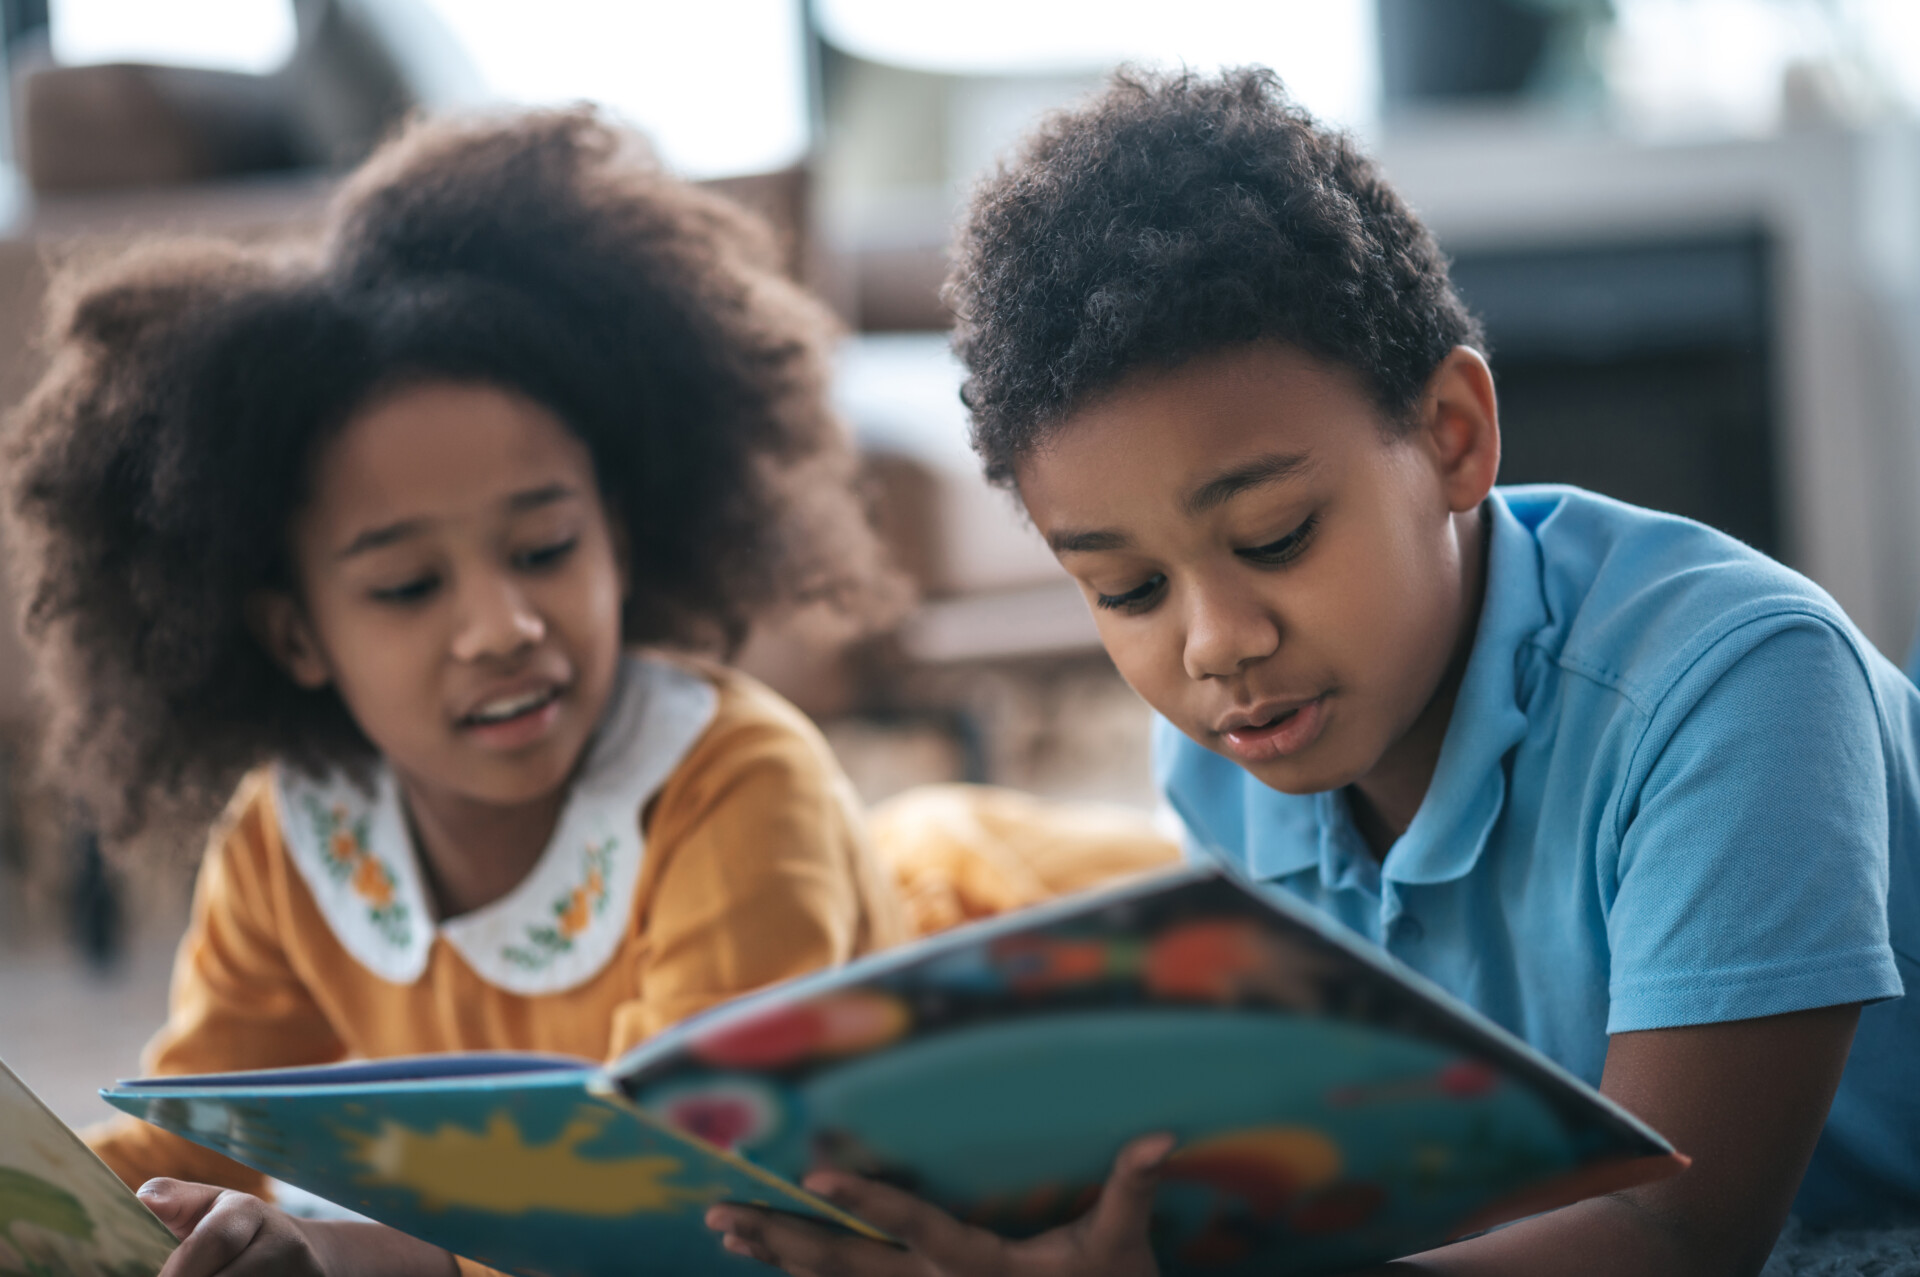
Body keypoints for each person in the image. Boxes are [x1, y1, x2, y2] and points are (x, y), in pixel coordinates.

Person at [707, 66, 1919, 1276]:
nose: (1212, 641)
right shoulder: (1219, 747)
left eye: (1276, 536)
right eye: (1128, 588)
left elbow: (1677, 1232)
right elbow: (1356, 1174)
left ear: (1453, 432)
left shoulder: (1735, 688)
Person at [2, 107, 910, 1277]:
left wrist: (357, 1257)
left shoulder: (735, 787)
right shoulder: (295, 834)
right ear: (293, 631)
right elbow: (188, 1139)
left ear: (620, 540)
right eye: (408, 584)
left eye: (543, 550)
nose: (503, 626)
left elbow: (682, 1202)